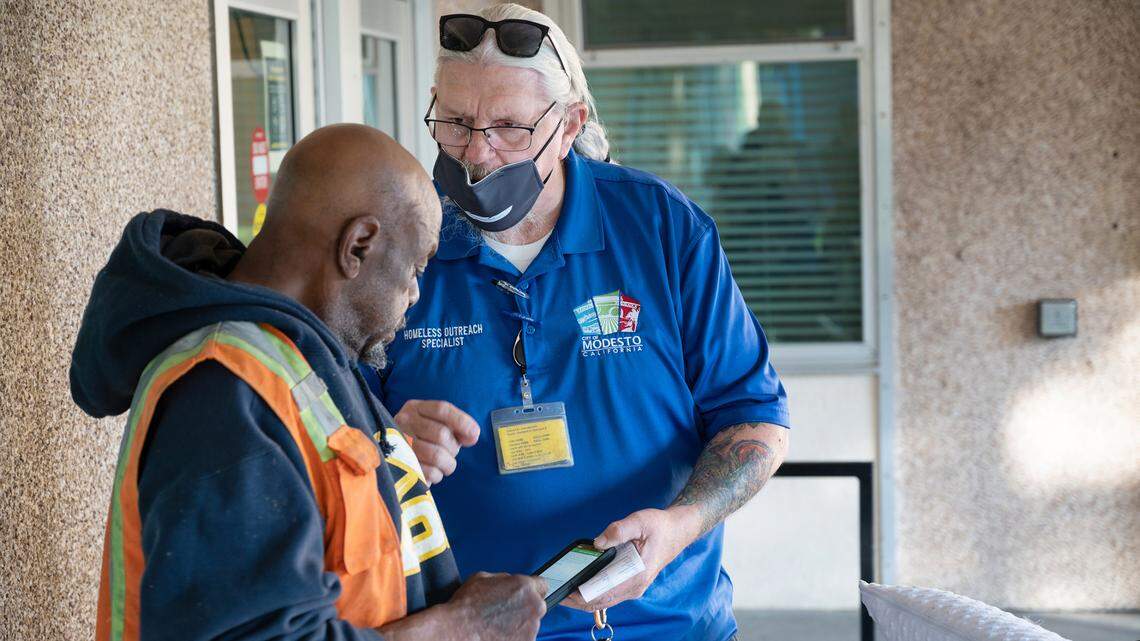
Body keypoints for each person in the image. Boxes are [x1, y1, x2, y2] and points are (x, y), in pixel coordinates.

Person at [368, 5, 791, 640]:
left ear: (570, 125)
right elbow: (328, 448)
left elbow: (755, 421)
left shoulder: (662, 230)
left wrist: (678, 528)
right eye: (456, 122)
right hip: (469, 629)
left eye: (509, 126)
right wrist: (390, 446)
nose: (477, 154)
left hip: (667, 626)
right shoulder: (398, 241)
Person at [70, 125, 547, 641]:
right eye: (414, 268)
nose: (414, 295)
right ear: (358, 246)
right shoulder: (226, 391)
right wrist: (462, 630)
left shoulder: (301, 361)